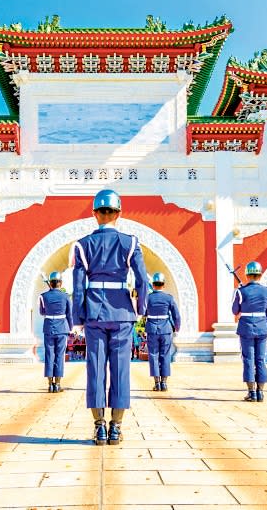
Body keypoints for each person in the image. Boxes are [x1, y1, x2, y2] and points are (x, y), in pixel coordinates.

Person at [72, 189, 149, 445]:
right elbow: (141, 280)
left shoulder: (82, 245)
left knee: (95, 368)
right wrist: (140, 310)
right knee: (120, 369)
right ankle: (116, 427)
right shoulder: (131, 242)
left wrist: (78, 317)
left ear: (95, 214)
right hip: (123, 312)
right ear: (119, 213)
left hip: (94, 311)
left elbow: (77, 286)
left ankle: (99, 427)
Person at [232, 261, 267, 402]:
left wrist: (239, 292)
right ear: (260, 275)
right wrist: (265, 326)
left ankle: (251, 392)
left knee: (248, 359)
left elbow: (235, 310)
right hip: (262, 326)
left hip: (246, 327)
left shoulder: (241, 291)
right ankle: (260, 392)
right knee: (260, 359)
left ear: (247, 275)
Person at [145, 272, 181, 392]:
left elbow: (143, 312)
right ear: (163, 285)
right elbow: (176, 314)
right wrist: (177, 327)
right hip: (165, 329)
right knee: (165, 355)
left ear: (153, 284)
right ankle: (164, 383)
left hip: (152, 329)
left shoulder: (148, 298)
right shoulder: (169, 298)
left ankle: (157, 383)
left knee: (153, 355)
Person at [39, 271, 73, 392]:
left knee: (49, 355)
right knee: (59, 356)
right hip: (62, 328)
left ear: (50, 283)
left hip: (48, 327)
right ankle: (57, 384)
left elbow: (42, 312)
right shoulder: (66, 296)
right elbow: (69, 314)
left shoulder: (43, 296)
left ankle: (50, 384)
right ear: (60, 283)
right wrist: (71, 327)